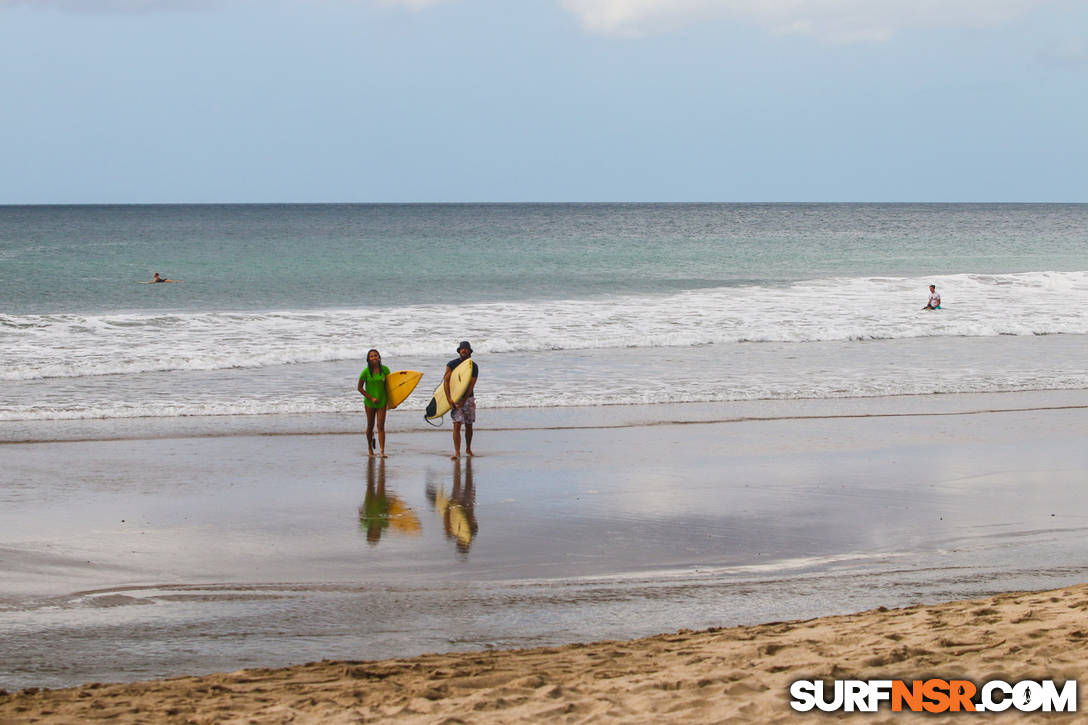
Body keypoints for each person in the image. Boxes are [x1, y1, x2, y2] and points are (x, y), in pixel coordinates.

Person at [443, 340, 479, 459]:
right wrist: (449, 399)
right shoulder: (451, 364)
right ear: (459, 351)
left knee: (469, 425)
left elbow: (471, 385)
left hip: (468, 398)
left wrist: (464, 400)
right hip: (455, 398)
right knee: (457, 424)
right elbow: (446, 381)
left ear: (469, 351)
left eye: (466, 349)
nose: (464, 350)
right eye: (462, 349)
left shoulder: (474, 366)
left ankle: (468, 449)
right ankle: (457, 452)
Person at [357, 348, 391, 457]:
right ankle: (370, 448)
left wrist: (393, 401)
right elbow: (359, 388)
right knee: (370, 426)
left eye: (375, 355)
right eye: (371, 356)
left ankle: (382, 451)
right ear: (368, 359)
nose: (374, 358)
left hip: (382, 401)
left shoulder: (385, 370)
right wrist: (371, 398)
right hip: (370, 403)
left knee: (381, 426)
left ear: (379, 357)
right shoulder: (365, 372)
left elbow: (390, 386)